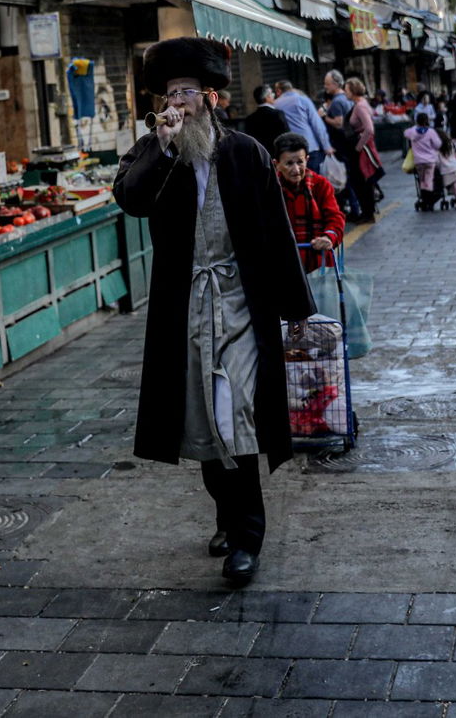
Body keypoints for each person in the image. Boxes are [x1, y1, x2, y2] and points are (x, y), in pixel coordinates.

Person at [113, 37, 314, 588]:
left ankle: (247, 538)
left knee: (236, 412)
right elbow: (129, 199)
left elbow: (275, 231)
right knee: (200, 419)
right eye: (170, 93)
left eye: (188, 93)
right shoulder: (153, 153)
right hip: (185, 309)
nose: (179, 102)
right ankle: (228, 516)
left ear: (210, 98)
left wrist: (297, 310)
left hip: (241, 305)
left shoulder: (247, 152)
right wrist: (163, 148)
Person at [272, 131, 345, 273]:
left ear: (307, 159)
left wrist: (328, 237)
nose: (296, 169)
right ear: (277, 164)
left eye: (300, 162)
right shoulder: (269, 188)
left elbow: (335, 217)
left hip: (319, 263)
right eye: (289, 163)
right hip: (282, 263)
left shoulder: (320, 185)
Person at [270, 80, 334, 173]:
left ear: (279, 91)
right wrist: (326, 146)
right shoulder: (302, 99)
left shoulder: (275, 105)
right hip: (310, 146)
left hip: (289, 150)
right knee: (314, 179)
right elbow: (317, 124)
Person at [320, 70, 360, 217]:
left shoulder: (337, 102)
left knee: (345, 178)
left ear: (336, 84)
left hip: (341, 145)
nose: (325, 87)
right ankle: (356, 207)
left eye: (327, 84)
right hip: (350, 143)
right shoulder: (347, 99)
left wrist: (324, 117)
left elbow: (338, 123)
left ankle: (354, 208)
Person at [345, 77, 381, 222]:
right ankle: (367, 211)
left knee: (361, 180)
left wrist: (358, 147)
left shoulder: (359, 106)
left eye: (346, 89)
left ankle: (367, 212)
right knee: (363, 180)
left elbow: (369, 129)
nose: (345, 92)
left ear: (353, 91)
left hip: (362, 149)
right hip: (363, 146)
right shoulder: (361, 103)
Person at [404, 112, 443, 198]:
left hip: (418, 161)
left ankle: (424, 197)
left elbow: (405, 133)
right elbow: (438, 144)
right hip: (430, 160)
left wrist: (415, 127)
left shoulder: (412, 131)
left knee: (421, 179)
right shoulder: (431, 132)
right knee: (428, 179)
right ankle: (429, 197)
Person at [241, 83, 289, 151]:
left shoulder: (250, 119)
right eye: (272, 93)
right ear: (267, 98)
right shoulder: (278, 114)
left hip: (260, 155)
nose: (274, 95)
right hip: (277, 153)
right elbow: (286, 135)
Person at [436, 129, 456, 209]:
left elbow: (437, 160)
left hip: (445, 169)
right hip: (454, 166)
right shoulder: (450, 144)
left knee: (449, 185)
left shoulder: (437, 147)